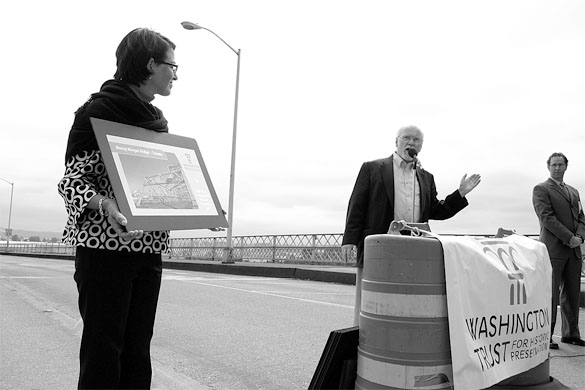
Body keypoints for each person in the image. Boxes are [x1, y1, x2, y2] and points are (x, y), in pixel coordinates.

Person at [57, 28, 178, 389]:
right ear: (150, 64)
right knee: (103, 350)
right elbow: (72, 182)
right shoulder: (97, 112)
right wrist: (105, 203)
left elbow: (160, 183)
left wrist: (200, 207)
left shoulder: (156, 119)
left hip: (147, 249)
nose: (176, 74)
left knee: (138, 350)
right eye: (172, 65)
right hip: (103, 249)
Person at [341, 125, 481, 325]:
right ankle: (364, 340)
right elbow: (357, 205)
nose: (411, 143)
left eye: (416, 140)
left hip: (415, 247)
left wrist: (459, 195)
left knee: (406, 299)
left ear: (421, 146)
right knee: (370, 300)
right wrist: (350, 240)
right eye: (406, 138)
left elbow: (436, 210)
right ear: (396, 142)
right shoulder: (372, 168)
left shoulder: (425, 177)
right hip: (379, 245)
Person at [532, 152, 585, 349]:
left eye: (560, 165)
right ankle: (546, 336)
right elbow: (547, 217)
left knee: (572, 294)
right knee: (550, 294)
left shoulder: (573, 191)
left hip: (573, 250)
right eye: (553, 165)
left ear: (566, 166)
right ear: (548, 167)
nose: (557, 168)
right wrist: (568, 237)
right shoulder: (541, 189)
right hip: (554, 249)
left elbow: (581, 217)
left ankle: (571, 334)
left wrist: (579, 237)